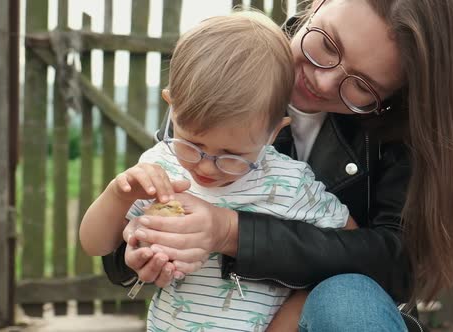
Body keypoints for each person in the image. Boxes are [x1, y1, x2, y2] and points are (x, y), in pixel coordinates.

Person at [104, 0, 453, 331]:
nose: (323, 79)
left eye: (362, 85)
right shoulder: (228, 69)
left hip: (332, 313)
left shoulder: (401, 132)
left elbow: (397, 264)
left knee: (344, 296)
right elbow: (123, 244)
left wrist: (233, 232)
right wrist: (144, 250)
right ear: (317, 3)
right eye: (327, 44)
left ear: (397, 95)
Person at [81, 11, 358, 330]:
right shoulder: (161, 166)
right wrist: (118, 196)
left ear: (272, 133)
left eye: (231, 155)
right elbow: (95, 244)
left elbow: (348, 247)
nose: (205, 166)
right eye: (192, 144)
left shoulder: (291, 184)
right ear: (172, 107)